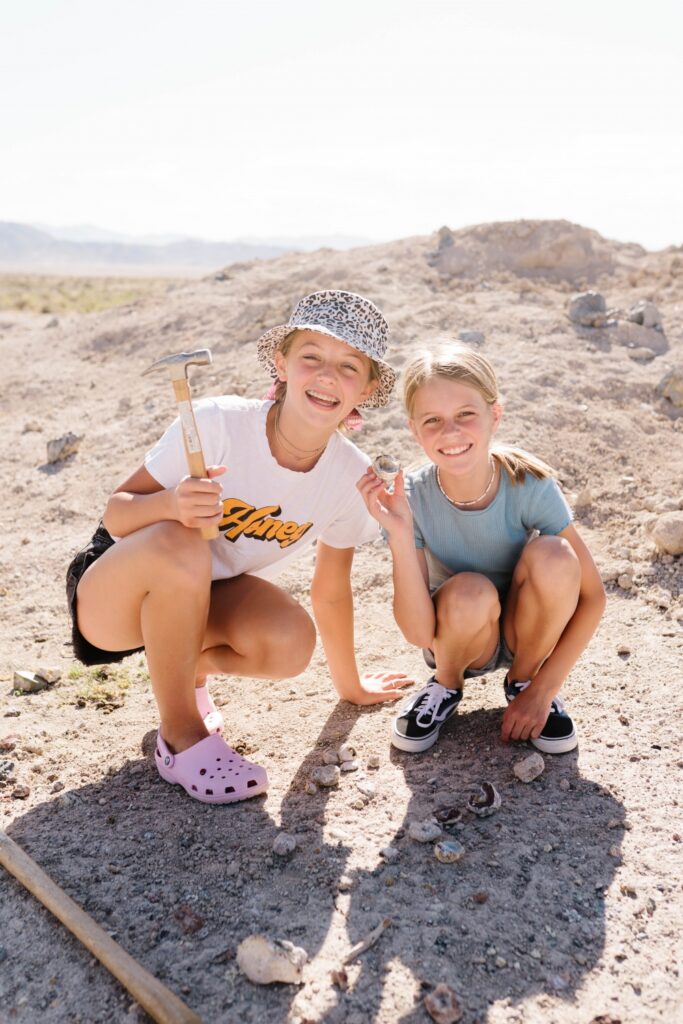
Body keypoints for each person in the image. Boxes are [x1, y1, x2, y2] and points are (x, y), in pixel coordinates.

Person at [66, 290, 413, 804]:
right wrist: (171, 504)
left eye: (348, 367)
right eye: (310, 358)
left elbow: (332, 588)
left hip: (205, 598)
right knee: (180, 542)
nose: (326, 377)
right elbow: (117, 512)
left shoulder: (348, 477)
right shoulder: (216, 424)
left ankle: (190, 668)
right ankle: (180, 736)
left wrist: (351, 686)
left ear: (366, 388)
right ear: (282, 364)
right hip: (116, 598)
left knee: (290, 641)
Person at [357, 342, 606, 755]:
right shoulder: (412, 498)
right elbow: (418, 632)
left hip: (525, 632)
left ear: (495, 414)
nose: (450, 432)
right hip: (456, 633)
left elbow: (593, 597)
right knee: (471, 588)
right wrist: (400, 535)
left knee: (556, 554)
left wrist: (545, 688)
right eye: (432, 420)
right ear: (413, 429)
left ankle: (523, 682)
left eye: (465, 415)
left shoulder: (529, 484)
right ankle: (446, 686)